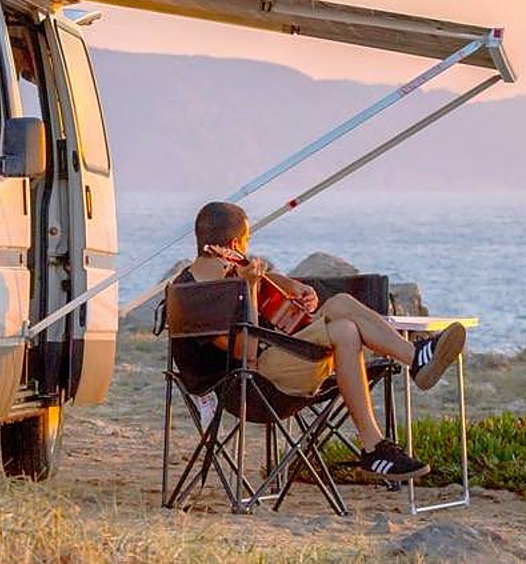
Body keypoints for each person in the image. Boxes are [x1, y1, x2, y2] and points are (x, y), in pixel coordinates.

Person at [172, 201, 466, 481]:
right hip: (248, 386)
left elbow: (271, 284)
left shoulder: (231, 271)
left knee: (340, 303)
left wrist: (297, 288)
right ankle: (375, 443)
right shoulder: (193, 296)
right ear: (234, 245)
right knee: (344, 331)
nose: (249, 249)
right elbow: (247, 350)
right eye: (248, 240)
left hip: (275, 364)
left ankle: (415, 359)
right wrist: (249, 286)